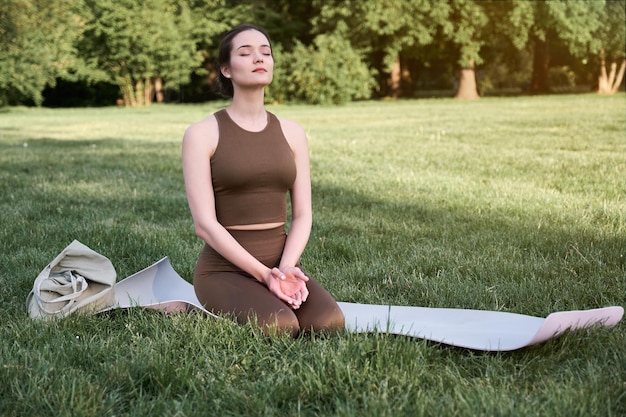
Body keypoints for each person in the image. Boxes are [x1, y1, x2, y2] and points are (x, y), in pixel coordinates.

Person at [182, 24, 345, 337]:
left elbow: (303, 215)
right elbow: (204, 225)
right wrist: (264, 275)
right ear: (226, 69)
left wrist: (284, 270)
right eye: (245, 53)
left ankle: (273, 287)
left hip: (279, 263)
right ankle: (198, 308)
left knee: (328, 324)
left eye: (265, 52)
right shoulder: (201, 134)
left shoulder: (293, 132)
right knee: (280, 326)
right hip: (223, 270)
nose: (259, 58)